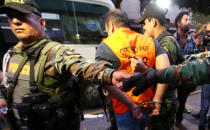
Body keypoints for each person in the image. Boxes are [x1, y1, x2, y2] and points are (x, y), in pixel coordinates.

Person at [0, 0, 140, 130]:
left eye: (23, 17)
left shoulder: (55, 52)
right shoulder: (11, 55)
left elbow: (83, 66)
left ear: (42, 23)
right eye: (11, 17)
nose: (16, 21)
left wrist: (110, 74)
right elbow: (6, 83)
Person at [95, 9, 170, 130]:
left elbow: (106, 81)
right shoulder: (151, 41)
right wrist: (157, 100)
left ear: (110, 26)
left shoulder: (105, 46)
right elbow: (165, 71)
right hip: (148, 105)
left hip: (124, 108)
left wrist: (132, 105)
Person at [135, 3, 183, 130]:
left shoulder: (166, 43)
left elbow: (165, 75)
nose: (144, 27)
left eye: (145, 23)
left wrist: (157, 99)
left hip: (164, 102)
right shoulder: (159, 41)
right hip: (162, 100)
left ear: (154, 22)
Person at [173, 11, 198, 129]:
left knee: (182, 102)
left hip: (185, 79)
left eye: (189, 20)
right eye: (186, 20)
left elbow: (195, 60)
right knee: (170, 101)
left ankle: (178, 121)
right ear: (179, 23)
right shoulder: (170, 39)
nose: (189, 22)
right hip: (171, 77)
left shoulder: (192, 41)